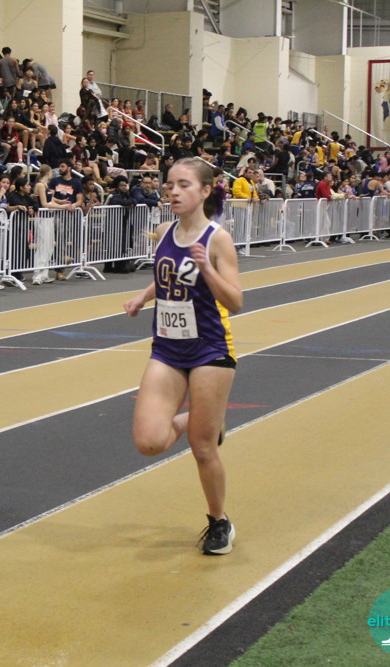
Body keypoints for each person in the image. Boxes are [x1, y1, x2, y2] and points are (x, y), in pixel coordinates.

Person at [123, 157, 243, 556]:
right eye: (169, 185)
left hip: (210, 348)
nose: (173, 191)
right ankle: (206, 419)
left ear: (205, 191)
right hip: (167, 347)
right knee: (149, 442)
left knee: (202, 448)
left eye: (183, 185)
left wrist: (207, 269)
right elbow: (168, 275)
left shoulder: (218, 239)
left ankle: (219, 522)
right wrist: (143, 297)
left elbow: (236, 301)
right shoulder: (163, 232)